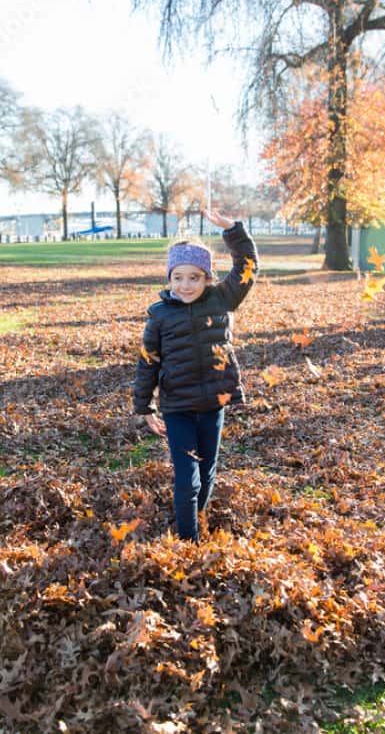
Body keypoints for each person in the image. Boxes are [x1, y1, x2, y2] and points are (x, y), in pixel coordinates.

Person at [132, 209, 259, 541]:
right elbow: (149, 361)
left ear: (207, 278)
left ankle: (196, 518)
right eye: (178, 277)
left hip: (213, 404)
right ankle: (188, 540)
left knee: (206, 472)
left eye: (194, 277)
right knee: (187, 478)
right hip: (178, 408)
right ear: (169, 278)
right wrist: (144, 407)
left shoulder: (221, 300)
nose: (185, 285)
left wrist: (233, 230)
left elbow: (247, 267)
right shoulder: (159, 316)